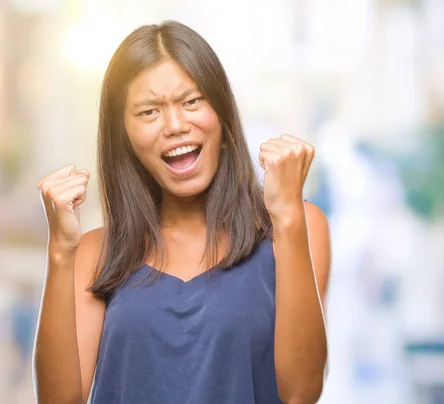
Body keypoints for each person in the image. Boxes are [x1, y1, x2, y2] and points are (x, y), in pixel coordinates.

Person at [33, 20, 330, 404]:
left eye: (191, 101)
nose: (175, 125)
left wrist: (287, 215)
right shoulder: (95, 253)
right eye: (148, 112)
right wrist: (60, 250)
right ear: (123, 134)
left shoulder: (298, 226)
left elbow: (302, 394)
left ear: (221, 111)